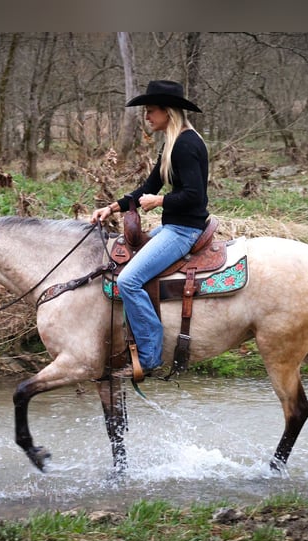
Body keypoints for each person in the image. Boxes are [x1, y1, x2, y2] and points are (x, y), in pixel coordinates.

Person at [91, 80, 210, 378]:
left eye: (151, 110)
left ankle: (149, 356)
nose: (147, 116)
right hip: (175, 225)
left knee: (129, 280)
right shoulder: (172, 143)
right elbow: (147, 187)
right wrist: (112, 207)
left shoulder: (186, 145)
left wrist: (160, 201)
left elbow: (195, 196)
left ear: (168, 112)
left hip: (184, 231)